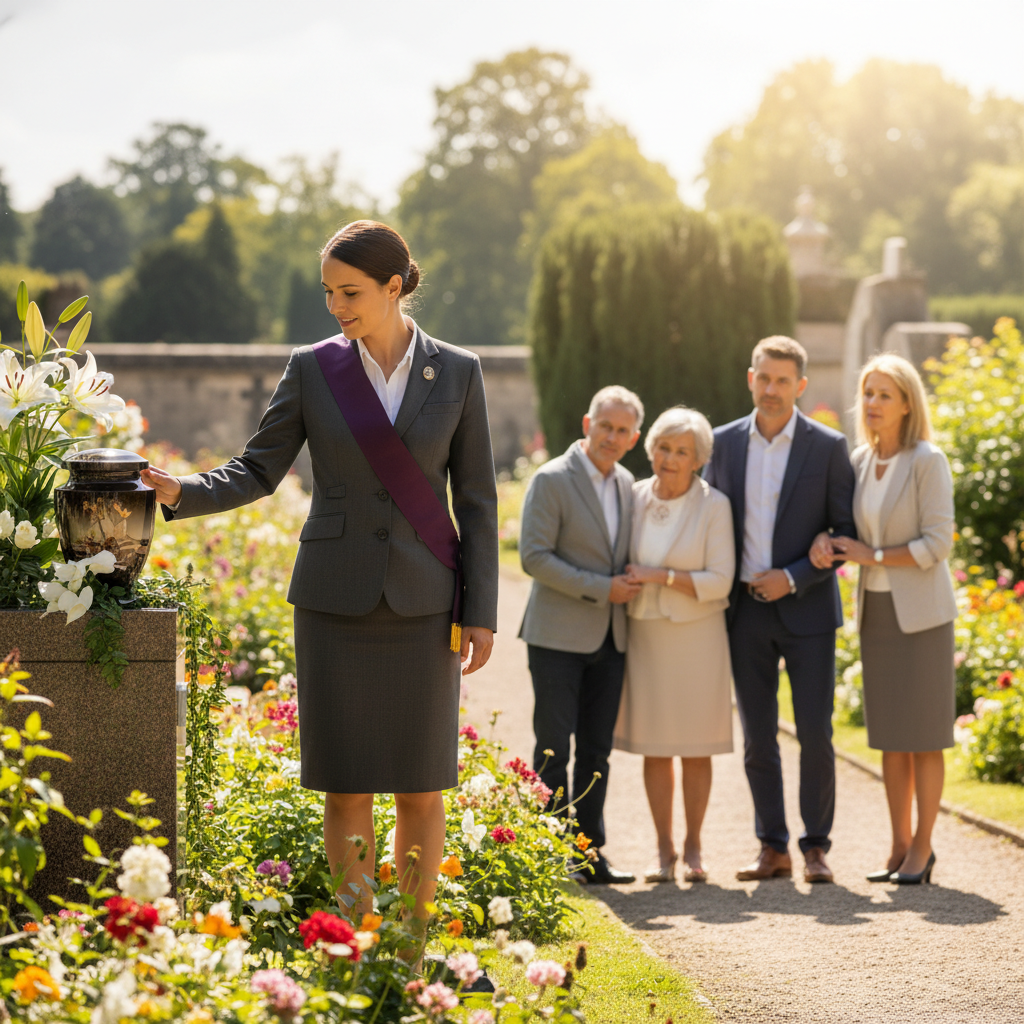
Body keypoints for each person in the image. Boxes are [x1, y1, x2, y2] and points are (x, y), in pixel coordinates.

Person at [142, 220, 498, 935]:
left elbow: (479, 499)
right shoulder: (314, 367)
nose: (336, 307)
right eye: (329, 292)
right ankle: (357, 945)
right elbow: (257, 469)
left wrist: (481, 609)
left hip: (425, 603)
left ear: (394, 287)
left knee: (423, 790)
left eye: (351, 292)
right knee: (345, 791)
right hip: (335, 602)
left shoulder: (458, 371)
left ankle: (411, 951)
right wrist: (180, 491)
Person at [703, 336, 855, 884]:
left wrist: (793, 575)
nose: (771, 390)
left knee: (815, 731)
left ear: (801, 387)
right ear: (750, 378)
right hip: (745, 613)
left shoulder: (829, 447)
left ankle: (816, 848)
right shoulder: (720, 445)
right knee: (758, 735)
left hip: (810, 612)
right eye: (763, 378)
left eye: (783, 381)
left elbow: (846, 532)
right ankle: (773, 847)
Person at [810, 354, 956, 885]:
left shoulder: (927, 460)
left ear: (907, 404)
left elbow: (938, 543)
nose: (871, 404)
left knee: (926, 736)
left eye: (884, 395)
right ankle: (897, 846)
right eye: (867, 393)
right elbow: (846, 527)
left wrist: (872, 555)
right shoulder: (857, 460)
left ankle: (923, 847)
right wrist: (828, 541)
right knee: (891, 736)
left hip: (923, 615)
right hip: (876, 613)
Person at [518, 385, 645, 885]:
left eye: (623, 430)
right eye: (605, 426)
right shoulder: (552, 480)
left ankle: (590, 855)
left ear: (634, 438)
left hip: (611, 639)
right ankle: (548, 855)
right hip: (556, 638)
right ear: (587, 424)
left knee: (596, 752)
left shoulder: (628, 483)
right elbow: (534, 556)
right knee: (553, 747)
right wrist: (603, 589)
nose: (612, 437)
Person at [614, 407, 735, 883]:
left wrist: (660, 576)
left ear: (698, 459)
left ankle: (694, 846)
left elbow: (721, 580)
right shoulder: (633, 496)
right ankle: (663, 849)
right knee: (656, 746)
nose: (669, 458)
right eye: (663, 447)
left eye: (681, 451)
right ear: (651, 449)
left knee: (697, 747)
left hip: (698, 636)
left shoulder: (715, 505)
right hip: (646, 634)